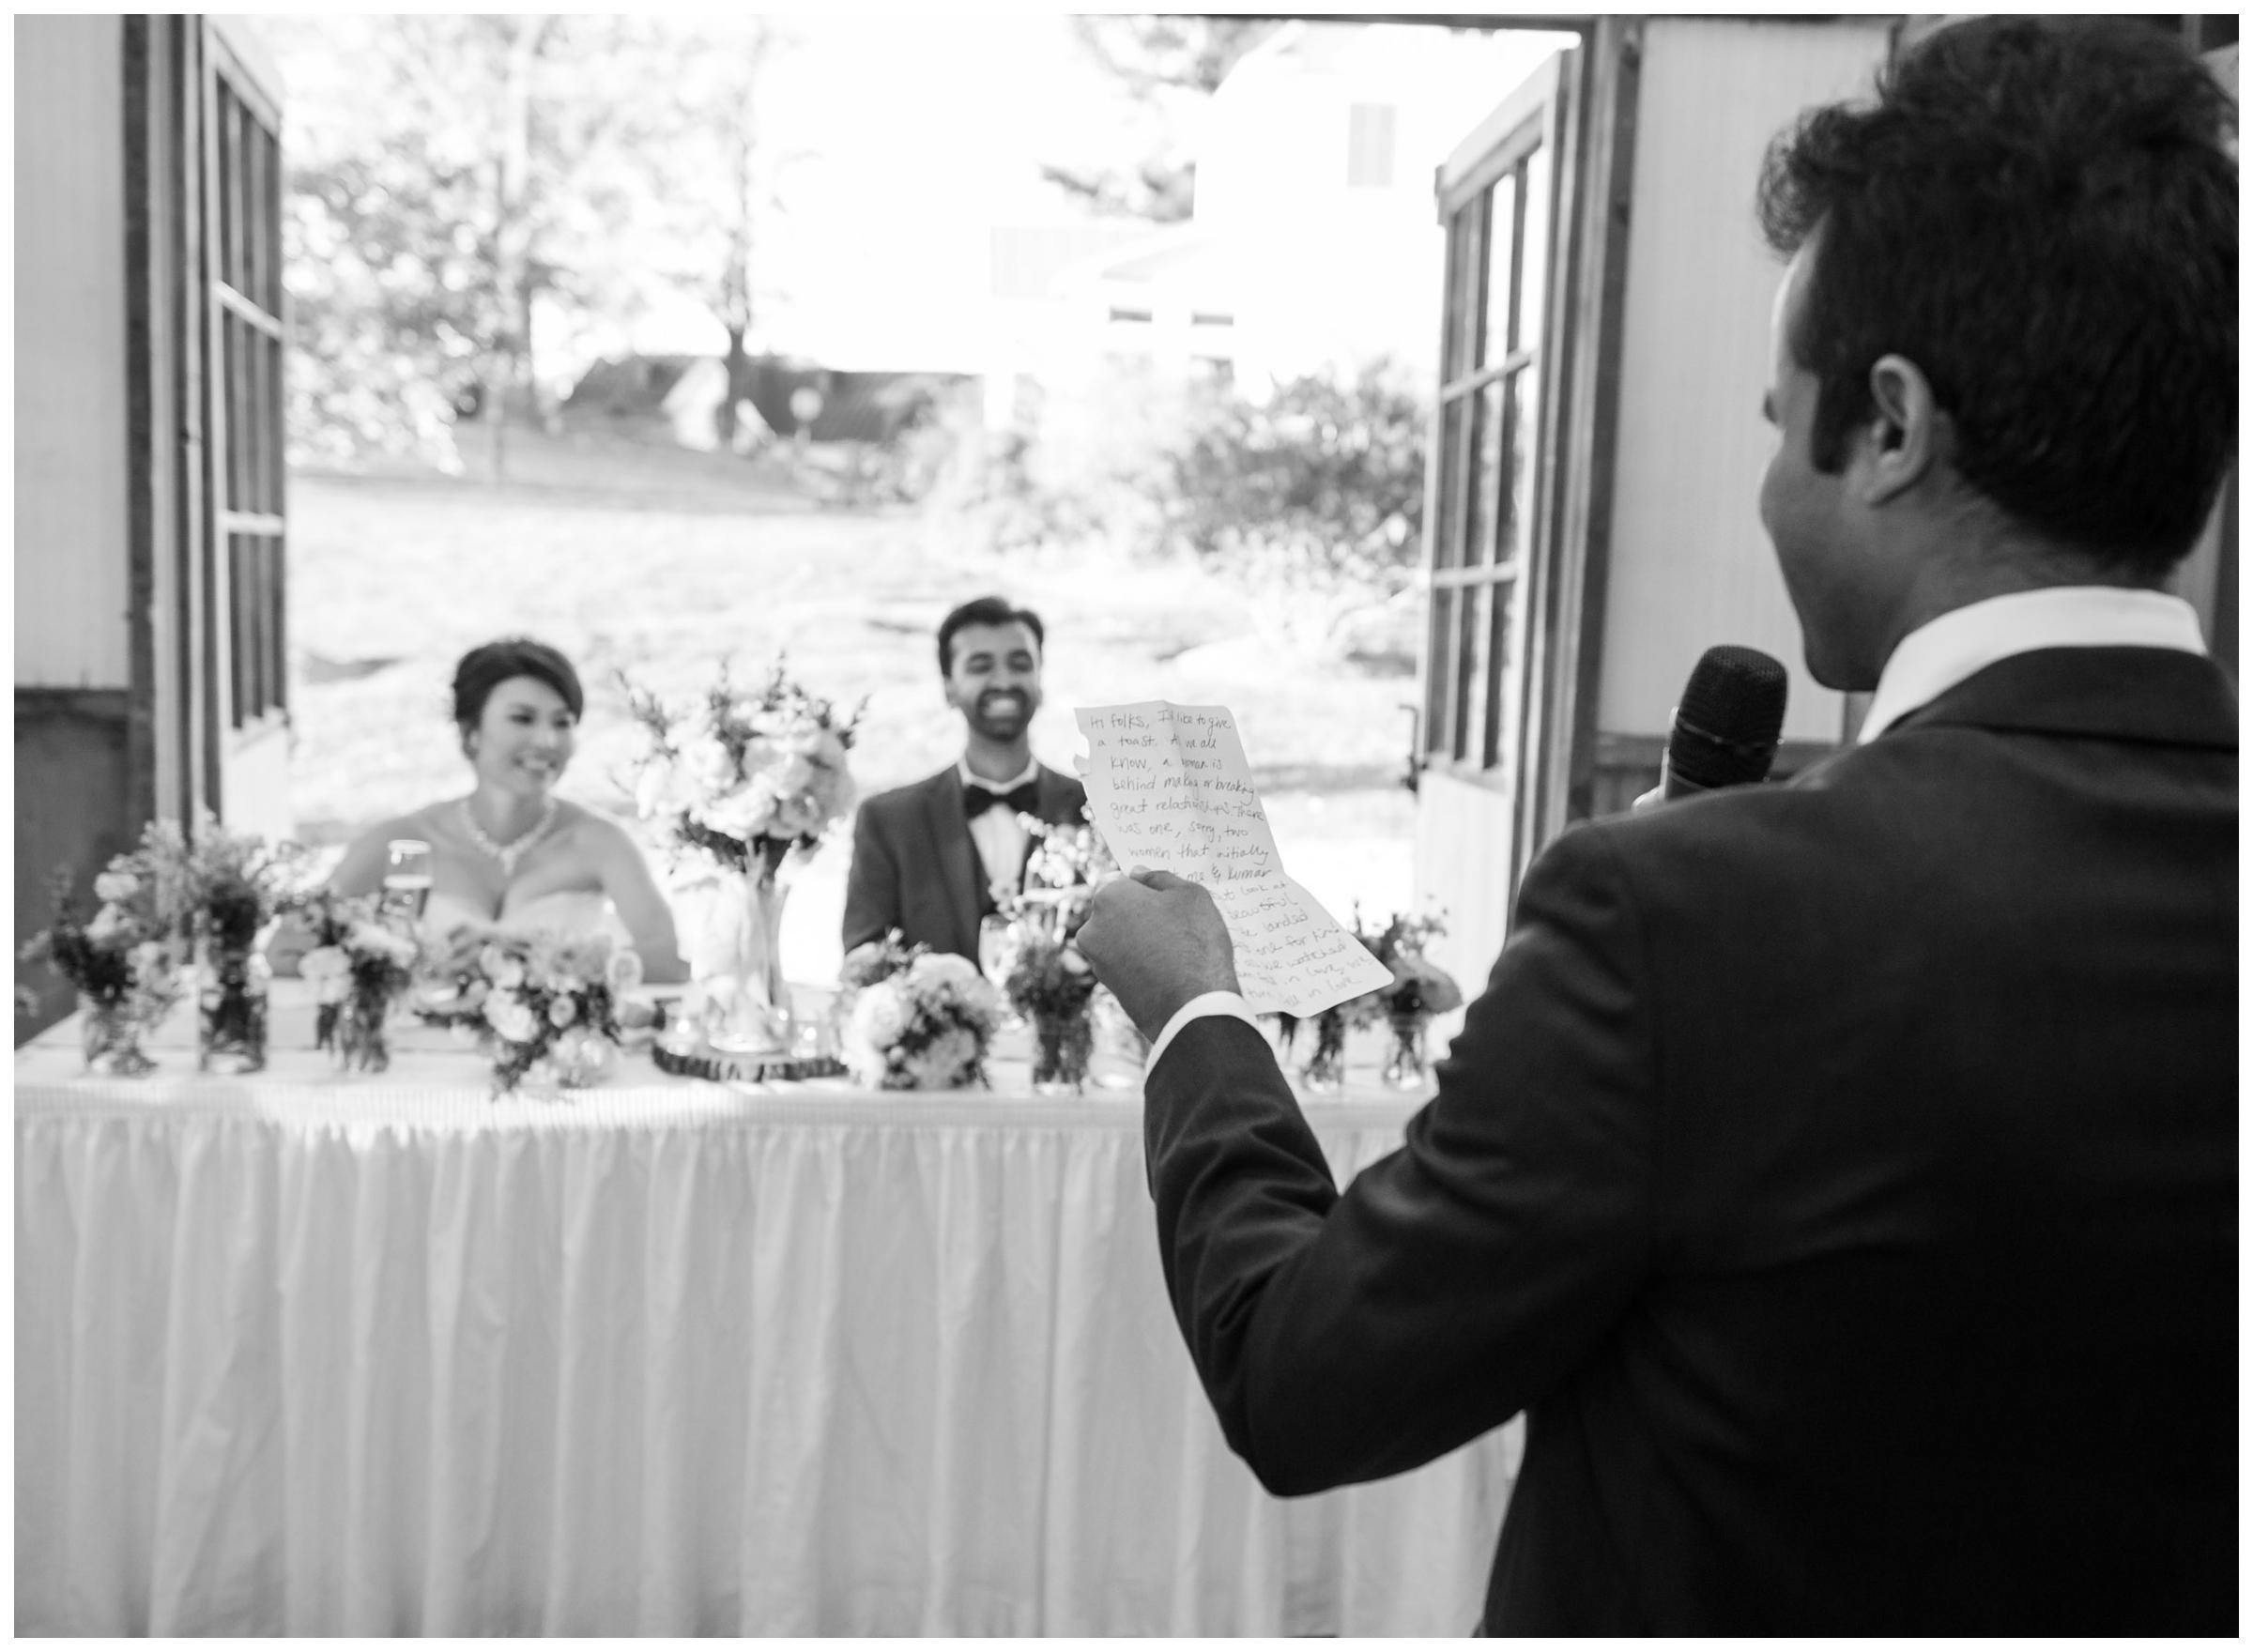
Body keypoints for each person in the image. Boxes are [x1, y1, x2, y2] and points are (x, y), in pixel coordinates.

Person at [1077, 18, 2234, 1635]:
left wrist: (1197, 1011)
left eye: (1777, 420)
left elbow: (1305, 1378)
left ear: (1890, 428)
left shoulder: (1690, 922)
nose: (1769, 484)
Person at [328, 637, 690, 982]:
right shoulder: (403, 841)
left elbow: (670, 960)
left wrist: (540, 959)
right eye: (522, 718)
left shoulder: (600, 842)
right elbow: (294, 947)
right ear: (471, 733)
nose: (547, 740)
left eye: (562, 723)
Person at [841, 595, 1088, 960]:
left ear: (1040, 679)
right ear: (949, 688)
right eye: (980, 666)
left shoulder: (1097, 811)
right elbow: (866, 962)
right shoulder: (888, 821)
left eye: (1020, 664)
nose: (1003, 680)